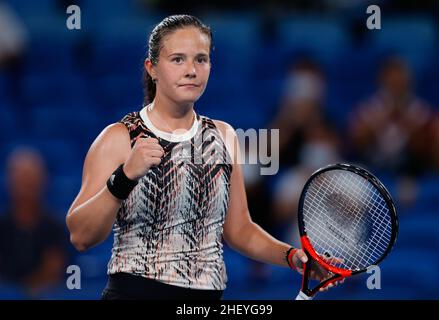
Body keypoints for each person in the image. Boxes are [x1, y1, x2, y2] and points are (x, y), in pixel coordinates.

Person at [66, 15, 340, 300]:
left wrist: (292, 256)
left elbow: (239, 230)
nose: (192, 70)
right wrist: (124, 177)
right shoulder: (119, 138)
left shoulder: (224, 136)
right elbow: (81, 236)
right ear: (152, 68)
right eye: (177, 60)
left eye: (201, 59)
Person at [0, 147, 67, 297]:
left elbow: (53, 271)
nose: (26, 186)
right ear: (10, 182)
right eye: (21, 179)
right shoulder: (2, 225)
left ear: (43, 181)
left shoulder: (54, 226)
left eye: (31, 179)